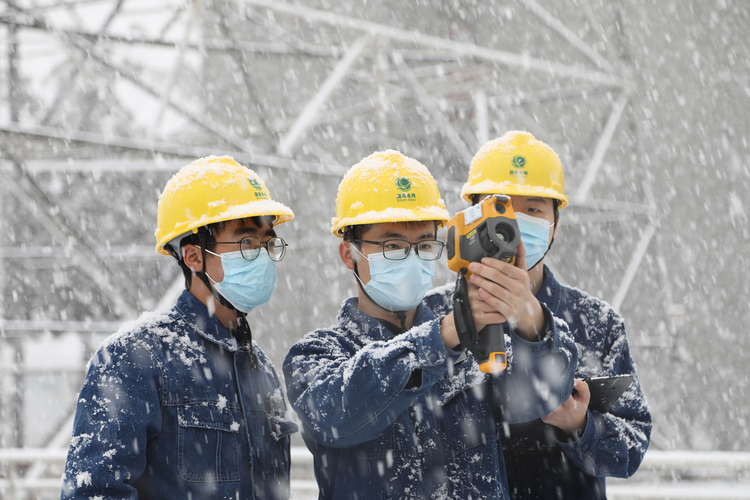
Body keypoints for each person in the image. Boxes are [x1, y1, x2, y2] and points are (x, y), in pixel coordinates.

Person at [283, 149, 578, 499]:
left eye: (424, 245)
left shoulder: (477, 345)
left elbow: (538, 398)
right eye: (393, 244)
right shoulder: (317, 356)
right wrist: (442, 338)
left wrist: (531, 318)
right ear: (349, 253)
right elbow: (335, 416)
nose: (411, 257)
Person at [61, 156, 299, 500]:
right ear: (193, 257)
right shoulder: (134, 358)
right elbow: (95, 492)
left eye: (267, 243)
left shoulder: (260, 368)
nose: (262, 255)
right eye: (247, 242)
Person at [461, 131, 652, 499]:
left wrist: (581, 426)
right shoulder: (441, 322)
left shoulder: (597, 322)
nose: (515, 224)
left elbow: (632, 447)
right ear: (473, 217)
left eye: (533, 210)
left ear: (554, 225)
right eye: (502, 209)